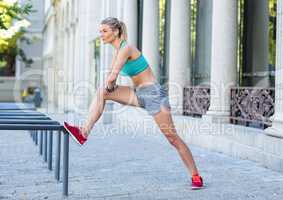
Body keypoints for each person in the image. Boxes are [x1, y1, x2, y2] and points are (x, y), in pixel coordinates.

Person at [64, 17, 203, 189]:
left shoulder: (126, 48)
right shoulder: (117, 51)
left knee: (172, 138)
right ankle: (83, 132)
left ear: (116, 32)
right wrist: (109, 87)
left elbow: (112, 77)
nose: (101, 35)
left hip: (154, 95)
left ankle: (196, 176)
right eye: (100, 31)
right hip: (139, 93)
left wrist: (110, 86)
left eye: (104, 31)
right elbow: (110, 79)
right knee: (102, 93)